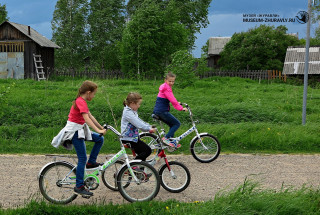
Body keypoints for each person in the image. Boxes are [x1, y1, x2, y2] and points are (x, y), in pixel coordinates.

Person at [51, 80, 107, 197]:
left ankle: (91, 162)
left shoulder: (82, 102)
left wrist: (101, 128)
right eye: (94, 93)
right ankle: (79, 186)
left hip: (80, 130)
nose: (94, 96)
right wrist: (98, 130)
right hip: (75, 132)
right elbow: (86, 119)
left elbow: (90, 116)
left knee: (99, 139)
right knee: (82, 159)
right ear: (88, 92)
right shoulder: (80, 101)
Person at [153, 72, 187, 148]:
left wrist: (178, 103)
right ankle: (166, 139)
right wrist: (181, 108)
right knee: (177, 124)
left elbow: (169, 98)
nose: (171, 83)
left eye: (173, 81)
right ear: (165, 80)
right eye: (170, 81)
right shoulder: (166, 88)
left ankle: (171, 142)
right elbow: (172, 100)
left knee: (172, 125)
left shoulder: (165, 87)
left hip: (159, 111)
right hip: (162, 111)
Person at [121, 92, 155, 162]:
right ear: (132, 103)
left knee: (142, 153)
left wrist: (148, 126)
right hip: (128, 138)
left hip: (133, 137)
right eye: (138, 104)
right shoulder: (128, 113)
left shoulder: (132, 111)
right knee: (147, 150)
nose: (139, 106)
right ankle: (132, 166)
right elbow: (138, 124)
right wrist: (148, 129)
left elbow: (139, 121)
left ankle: (140, 172)